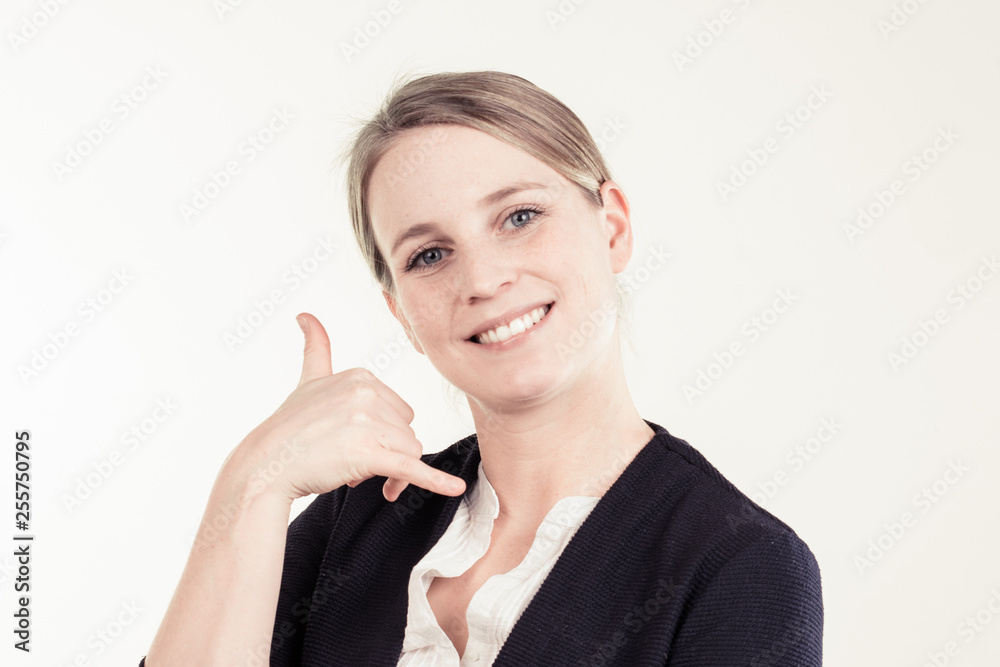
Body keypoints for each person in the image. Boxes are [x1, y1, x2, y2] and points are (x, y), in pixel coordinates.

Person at [141, 70, 823, 666]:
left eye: (519, 215)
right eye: (429, 255)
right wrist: (255, 479)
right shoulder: (354, 525)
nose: (485, 278)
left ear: (612, 226)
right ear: (402, 313)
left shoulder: (740, 567)